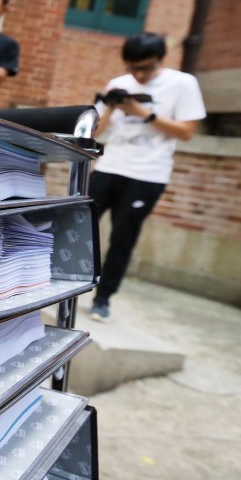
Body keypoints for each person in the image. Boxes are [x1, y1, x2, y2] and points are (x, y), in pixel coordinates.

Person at [87, 32, 206, 322]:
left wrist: (144, 113)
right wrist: (112, 106)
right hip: (108, 165)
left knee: (122, 238)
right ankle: (60, 284)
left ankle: (103, 299)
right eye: (133, 68)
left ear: (161, 60)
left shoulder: (183, 83)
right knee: (81, 225)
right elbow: (93, 133)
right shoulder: (118, 84)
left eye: (147, 68)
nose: (139, 75)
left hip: (147, 174)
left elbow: (187, 132)